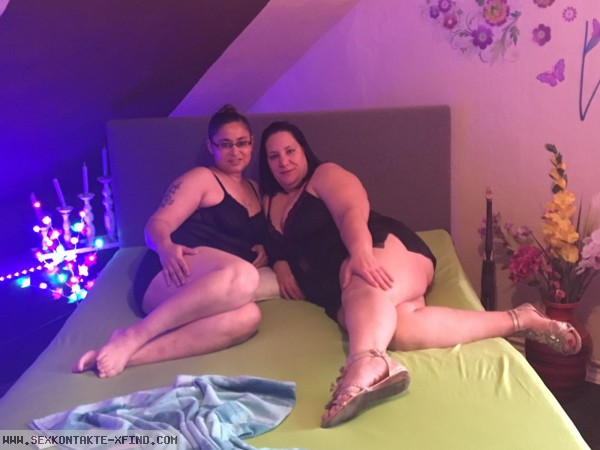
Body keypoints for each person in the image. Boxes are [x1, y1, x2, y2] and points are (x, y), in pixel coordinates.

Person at [258, 120, 582, 428]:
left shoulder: (324, 175)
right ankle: (521, 319)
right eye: (274, 156)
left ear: (304, 151)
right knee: (402, 332)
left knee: (366, 285)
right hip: (332, 286)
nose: (284, 161)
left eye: (290, 151)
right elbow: (268, 242)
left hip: (378, 246)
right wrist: (281, 261)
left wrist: (360, 253)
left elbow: (350, 212)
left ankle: (366, 362)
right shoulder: (269, 199)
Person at [73, 104, 272, 378]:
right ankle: (135, 334)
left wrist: (263, 248)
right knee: (246, 276)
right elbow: (157, 224)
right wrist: (165, 247)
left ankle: (127, 356)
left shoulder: (255, 189)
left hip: (215, 285)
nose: (235, 151)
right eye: (225, 144)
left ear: (251, 143)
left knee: (249, 317)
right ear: (211, 146)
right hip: (171, 273)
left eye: (241, 143)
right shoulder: (201, 178)